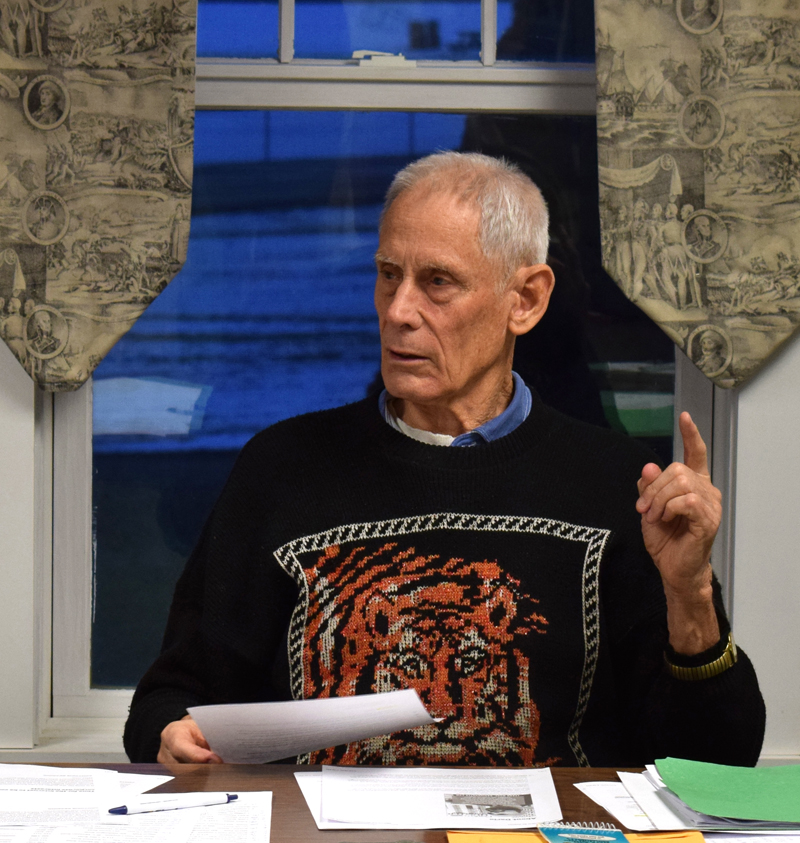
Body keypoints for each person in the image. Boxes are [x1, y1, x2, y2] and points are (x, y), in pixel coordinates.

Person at [124, 152, 765, 768]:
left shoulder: (618, 488)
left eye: (438, 282)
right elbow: (164, 703)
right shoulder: (281, 468)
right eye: (387, 275)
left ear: (526, 300)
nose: (399, 312)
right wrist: (170, 733)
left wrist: (690, 594)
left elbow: (715, 760)